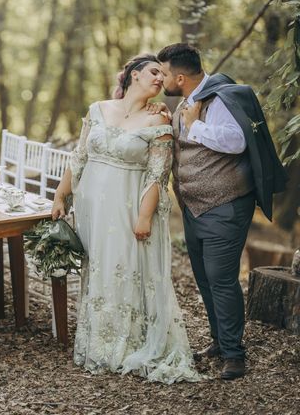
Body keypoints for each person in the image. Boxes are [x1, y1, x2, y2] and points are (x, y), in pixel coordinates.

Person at [51, 54, 201, 384]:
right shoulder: (97, 109)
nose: (160, 79)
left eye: (164, 75)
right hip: (92, 209)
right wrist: (61, 195)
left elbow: (157, 176)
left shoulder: (158, 121)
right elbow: (79, 157)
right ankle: (98, 339)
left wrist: (144, 217)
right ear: (134, 75)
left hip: (127, 208)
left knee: (123, 267)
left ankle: (125, 343)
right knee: (100, 268)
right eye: (153, 72)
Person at [156, 43, 288, 380]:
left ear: (181, 77)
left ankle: (234, 355)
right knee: (203, 278)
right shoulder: (185, 103)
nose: (162, 79)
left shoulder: (221, 98)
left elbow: (236, 141)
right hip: (194, 209)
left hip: (225, 207)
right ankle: (219, 340)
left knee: (222, 280)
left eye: (166, 73)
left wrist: (195, 125)